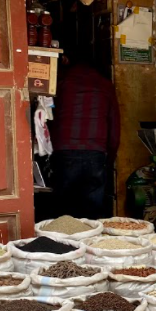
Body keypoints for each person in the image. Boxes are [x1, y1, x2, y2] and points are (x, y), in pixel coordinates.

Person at [49, 56, 121, 219]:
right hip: (95, 153)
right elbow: (114, 126)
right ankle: (89, 241)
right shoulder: (105, 85)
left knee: (63, 210)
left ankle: (63, 242)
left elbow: (48, 117)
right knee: (92, 211)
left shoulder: (61, 82)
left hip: (64, 150)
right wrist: (109, 158)